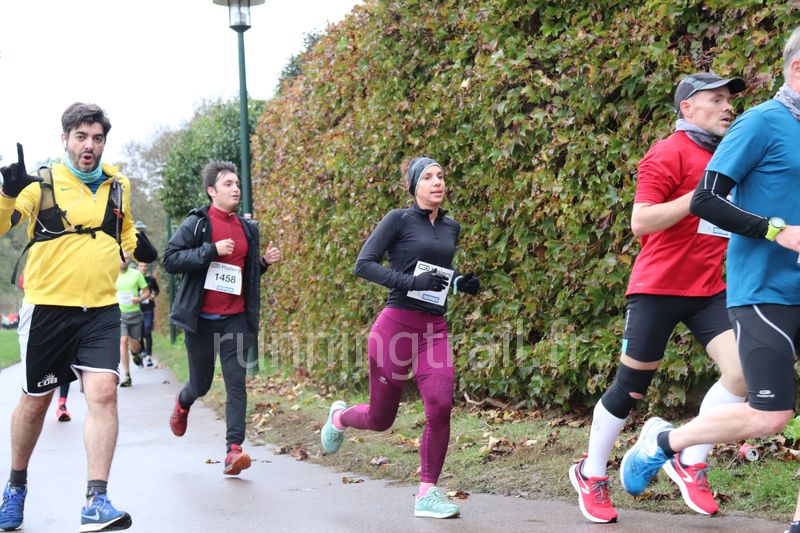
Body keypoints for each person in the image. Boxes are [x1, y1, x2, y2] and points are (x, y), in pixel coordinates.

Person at [619, 28, 800, 533]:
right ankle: (665, 442)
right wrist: (777, 231)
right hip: (763, 290)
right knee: (770, 416)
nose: (724, 105)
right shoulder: (760, 123)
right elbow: (705, 199)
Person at [569, 73, 748, 523]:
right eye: (716, 99)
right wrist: (698, 198)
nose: (728, 106)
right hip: (657, 288)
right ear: (688, 107)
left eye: (729, 99)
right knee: (631, 387)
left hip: (709, 290)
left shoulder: (729, 155)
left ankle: (689, 459)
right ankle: (591, 473)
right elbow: (641, 221)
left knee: (742, 375)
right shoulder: (668, 151)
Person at [0, 102, 155, 532]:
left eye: (97, 138)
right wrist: (8, 194)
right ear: (65, 139)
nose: (89, 146)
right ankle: (15, 486)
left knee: (104, 392)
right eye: (81, 137)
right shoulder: (41, 183)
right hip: (48, 308)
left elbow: (124, 231)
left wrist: (137, 246)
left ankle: (96, 500)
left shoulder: (118, 185)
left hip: (101, 308)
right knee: (36, 402)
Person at [319, 157, 481, 519]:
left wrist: (458, 283)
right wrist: (410, 283)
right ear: (413, 186)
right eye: (428, 177)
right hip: (394, 329)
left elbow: (437, 272)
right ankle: (340, 418)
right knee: (381, 418)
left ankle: (427, 492)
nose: (437, 182)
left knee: (440, 405)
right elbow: (364, 264)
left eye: (441, 176)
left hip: (433, 329)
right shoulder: (398, 219)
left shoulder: (451, 227)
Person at [162, 160, 282, 476]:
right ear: (211, 191)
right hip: (201, 320)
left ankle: (233, 451)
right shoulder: (197, 223)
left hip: (235, 319)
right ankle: (183, 402)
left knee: (236, 384)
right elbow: (170, 259)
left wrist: (263, 263)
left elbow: (242, 274)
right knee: (201, 384)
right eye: (228, 184)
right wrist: (211, 250)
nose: (235, 188)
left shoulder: (247, 228)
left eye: (237, 183)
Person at [115, 256, 150, 387]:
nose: (123, 261)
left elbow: (147, 292)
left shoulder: (136, 274)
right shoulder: (111, 274)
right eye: (121, 258)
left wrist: (139, 299)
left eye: (126, 258)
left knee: (135, 345)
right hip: (120, 314)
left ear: (129, 261)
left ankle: (135, 353)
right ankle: (127, 375)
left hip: (135, 314)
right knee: (123, 341)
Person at [136, 260, 160, 368]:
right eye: (141, 266)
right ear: (137, 267)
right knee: (139, 334)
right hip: (136, 310)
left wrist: (153, 295)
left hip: (148, 309)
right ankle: (141, 354)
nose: (144, 268)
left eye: (145, 266)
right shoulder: (134, 279)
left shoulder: (151, 280)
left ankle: (149, 357)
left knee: (147, 330)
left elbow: (156, 290)